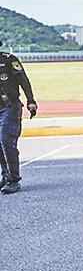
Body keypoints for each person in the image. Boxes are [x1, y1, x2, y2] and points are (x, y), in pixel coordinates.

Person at [0, 41, 37, 194]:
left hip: (10, 107)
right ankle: (6, 176)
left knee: (6, 140)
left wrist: (31, 101)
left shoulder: (9, 60)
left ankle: (13, 180)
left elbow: (23, 80)